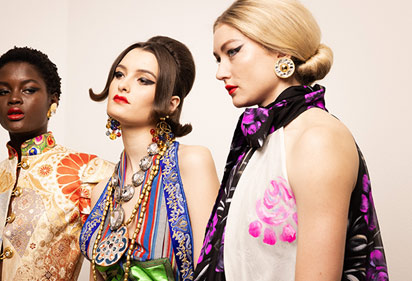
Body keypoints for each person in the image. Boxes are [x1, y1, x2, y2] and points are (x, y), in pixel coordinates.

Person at [194, 0, 388, 280]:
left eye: (233, 52)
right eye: (218, 58)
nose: (220, 72)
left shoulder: (317, 138)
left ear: (281, 52)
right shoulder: (262, 140)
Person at [0, 47, 113, 281]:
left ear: (53, 100)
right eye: (2, 92)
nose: (14, 99)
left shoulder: (87, 173)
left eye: (29, 90)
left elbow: (111, 264)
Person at [79, 36, 220, 281]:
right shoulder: (100, 191)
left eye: (143, 80)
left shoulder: (192, 162)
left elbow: (210, 272)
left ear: (170, 104)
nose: (123, 86)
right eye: (119, 74)